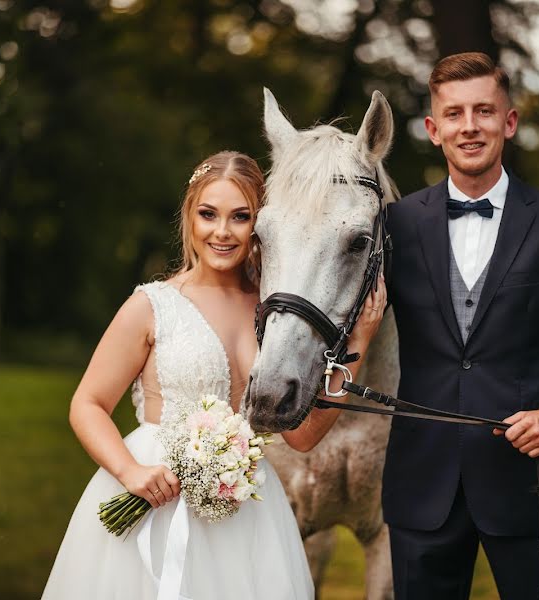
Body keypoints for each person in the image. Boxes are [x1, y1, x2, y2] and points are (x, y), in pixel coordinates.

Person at [41, 150, 385, 599]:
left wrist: (357, 344)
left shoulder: (272, 316)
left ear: (258, 226)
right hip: (153, 495)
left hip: (245, 513)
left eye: (239, 217)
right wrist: (130, 472)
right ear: (190, 218)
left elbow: (301, 438)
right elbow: (87, 405)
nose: (222, 232)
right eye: (208, 214)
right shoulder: (151, 305)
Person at [383, 52, 539, 599]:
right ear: (433, 129)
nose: (469, 126)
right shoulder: (395, 225)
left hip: (530, 484)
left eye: (484, 111)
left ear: (509, 122)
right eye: (454, 114)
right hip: (422, 486)